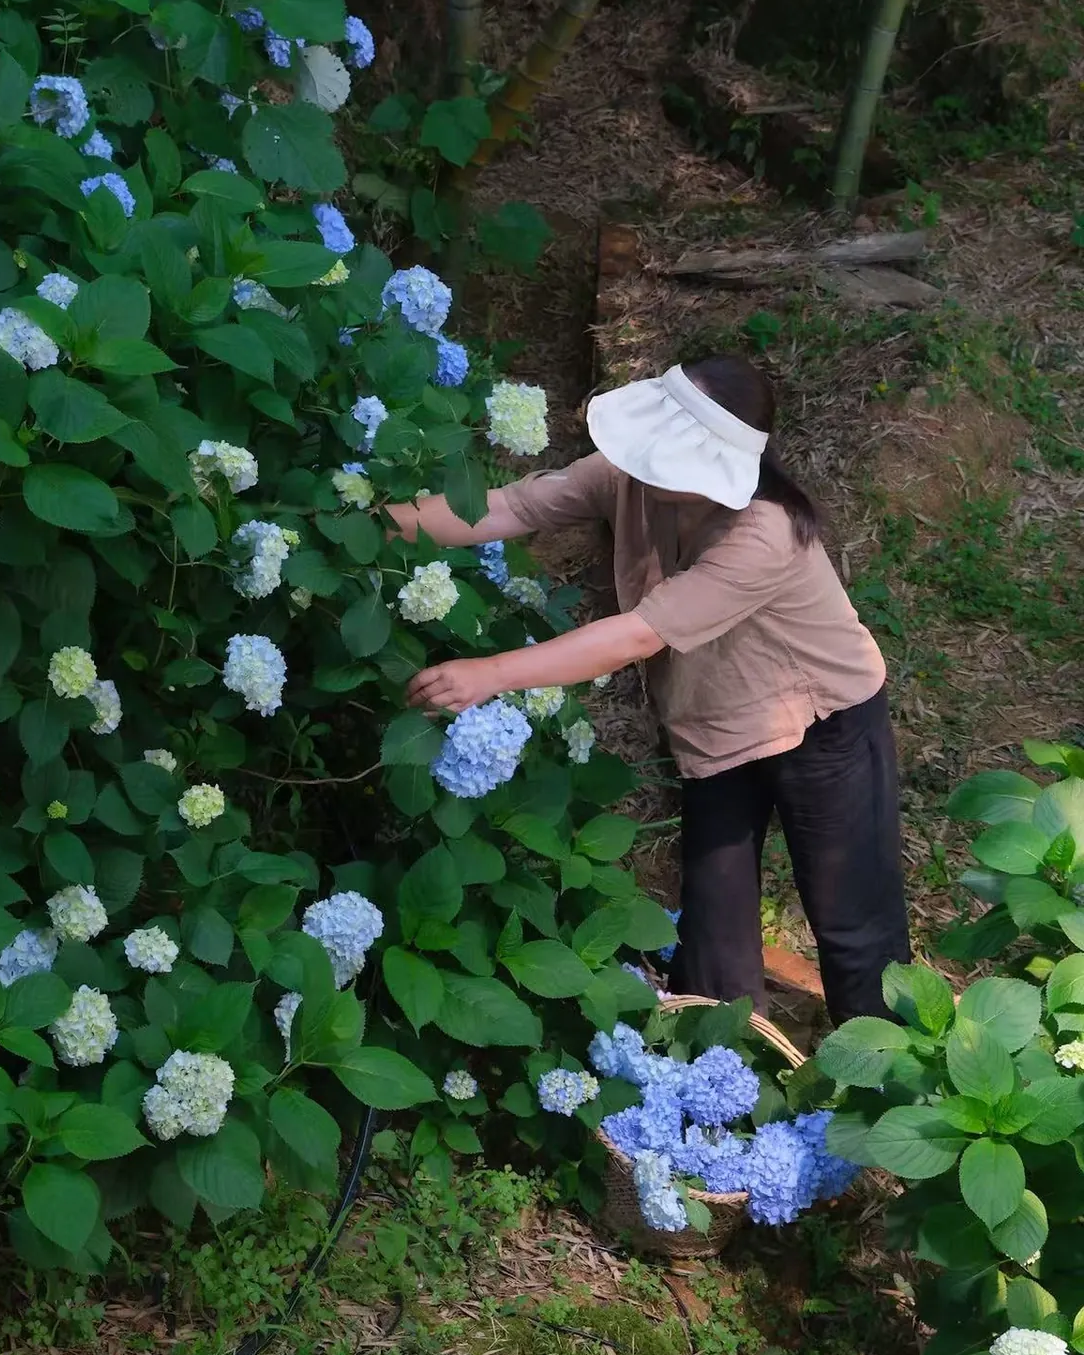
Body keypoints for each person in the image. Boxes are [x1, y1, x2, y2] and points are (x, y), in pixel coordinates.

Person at [387, 354, 910, 1026]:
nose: (652, 470)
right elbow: (512, 506)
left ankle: (885, 1075)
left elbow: (639, 634)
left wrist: (491, 673)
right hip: (719, 729)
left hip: (826, 725)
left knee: (855, 926)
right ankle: (720, 1068)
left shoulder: (764, 533)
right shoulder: (630, 477)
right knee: (713, 926)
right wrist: (378, 522)